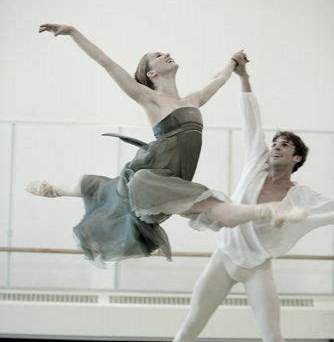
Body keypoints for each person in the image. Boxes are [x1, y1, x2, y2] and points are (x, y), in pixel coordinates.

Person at [135, 61, 334, 342]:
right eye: (275, 142)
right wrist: (243, 77)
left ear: (297, 159)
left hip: (257, 266)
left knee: (272, 336)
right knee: (191, 323)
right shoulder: (255, 165)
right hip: (224, 257)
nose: (277, 146)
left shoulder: (302, 195)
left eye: (285, 145)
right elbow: (251, 121)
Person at [27, 24, 305, 264]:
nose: (166, 54)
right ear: (151, 74)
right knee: (101, 187)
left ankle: (267, 212)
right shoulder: (149, 99)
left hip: (177, 178)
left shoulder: (192, 100)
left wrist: (234, 63)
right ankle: (53, 189)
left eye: (165, 52)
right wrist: (74, 32)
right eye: (158, 56)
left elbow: (218, 80)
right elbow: (107, 63)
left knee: (211, 208)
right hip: (153, 175)